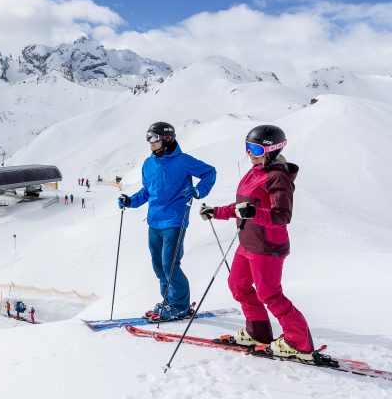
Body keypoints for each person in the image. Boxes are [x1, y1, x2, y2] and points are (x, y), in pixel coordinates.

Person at [199, 125, 315, 360]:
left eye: (255, 148)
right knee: (238, 285)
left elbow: (282, 216)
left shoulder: (277, 177)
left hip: (267, 246)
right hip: (248, 242)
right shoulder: (255, 171)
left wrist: (253, 213)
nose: (249, 153)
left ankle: (298, 343)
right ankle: (259, 332)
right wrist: (217, 211)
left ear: (271, 150)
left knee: (270, 294)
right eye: (247, 147)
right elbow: (244, 205)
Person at [119, 121, 216, 321]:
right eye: (148, 138)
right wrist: (130, 201)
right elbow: (147, 191)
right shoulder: (148, 164)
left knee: (170, 263)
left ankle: (180, 305)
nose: (150, 143)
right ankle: (169, 301)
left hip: (174, 219)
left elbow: (209, 172)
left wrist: (198, 190)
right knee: (158, 265)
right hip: (154, 220)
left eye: (153, 138)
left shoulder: (183, 161)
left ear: (166, 138)